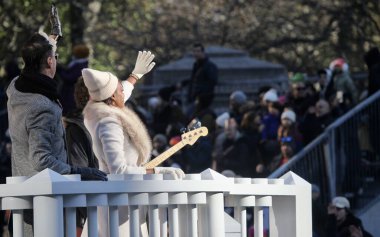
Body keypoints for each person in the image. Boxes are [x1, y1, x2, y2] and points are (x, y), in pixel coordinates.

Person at [6, 7, 107, 236]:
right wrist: (79, 171)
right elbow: (42, 159)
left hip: (25, 197)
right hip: (45, 205)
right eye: (55, 57)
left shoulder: (15, 88)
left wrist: (52, 38)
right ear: (50, 62)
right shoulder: (43, 107)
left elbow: (32, 65)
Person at [80, 51, 185, 237]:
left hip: (124, 202)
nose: (123, 91)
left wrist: (135, 75)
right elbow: (119, 170)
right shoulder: (109, 123)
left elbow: (123, 90)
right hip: (117, 209)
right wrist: (155, 171)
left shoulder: (105, 110)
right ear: (112, 96)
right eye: (119, 89)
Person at [57, 43, 90, 115]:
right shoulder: (77, 63)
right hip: (68, 91)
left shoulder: (81, 65)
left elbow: (70, 78)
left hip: (71, 93)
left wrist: (59, 70)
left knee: (68, 111)